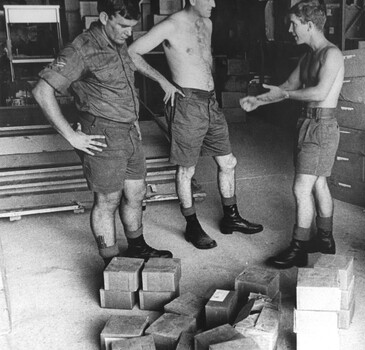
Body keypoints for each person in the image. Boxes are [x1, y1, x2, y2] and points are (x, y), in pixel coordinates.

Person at [32, 0, 172, 265]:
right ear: (105, 17)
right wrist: (71, 136)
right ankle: (112, 261)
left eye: (132, 27)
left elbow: (124, 89)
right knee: (108, 199)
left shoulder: (118, 43)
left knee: (136, 192)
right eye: (122, 26)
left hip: (129, 132)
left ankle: (138, 247)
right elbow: (42, 91)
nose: (128, 33)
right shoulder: (81, 49)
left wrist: (135, 124)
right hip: (103, 134)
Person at [128, 0, 263, 250]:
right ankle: (192, 225)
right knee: (186, 170)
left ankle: (231, 217)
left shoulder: (207, 23)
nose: (213, 3)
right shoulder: (170, 25)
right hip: (187, 103)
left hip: (210, 103)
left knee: (228, 162)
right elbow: (131, 52)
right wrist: (163, 82)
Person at [240, 0, 344, 268]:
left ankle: (298, 248)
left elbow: (320, 93)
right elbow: (286, 86)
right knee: (318, 183)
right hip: (307, 123)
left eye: (294, 24)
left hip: (321, 126)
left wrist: (286, 94)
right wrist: (258, 101)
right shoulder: (308, 56)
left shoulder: (331, 54)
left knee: (301, 188)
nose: (289, 29)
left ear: (309, 25)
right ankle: (324, 239)